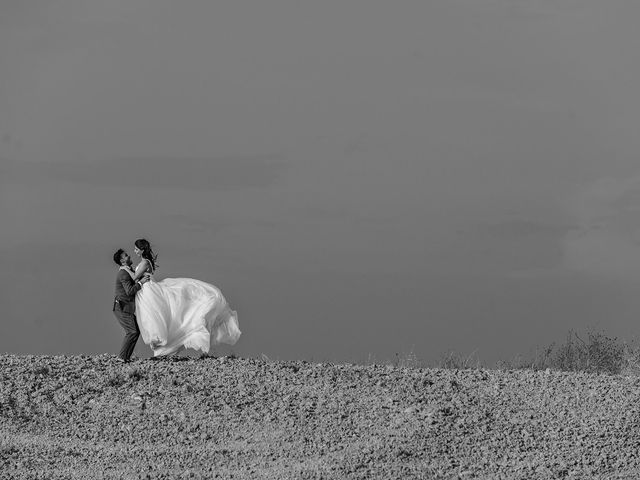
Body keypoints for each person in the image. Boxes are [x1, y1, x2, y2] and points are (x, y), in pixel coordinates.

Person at [121, 238, 241, 357]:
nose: (134, 251)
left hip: (149, 291)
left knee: (155, 317)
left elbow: (135, 278)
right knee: (155, 318)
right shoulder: (145, 262)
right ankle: (161, 350)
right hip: (146, 290)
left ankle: (160, 346)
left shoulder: (145, 262)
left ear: (142, 250)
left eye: (136, 249)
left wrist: (125, 268)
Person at [112, 249, 150, 363]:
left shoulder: (128, 271)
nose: (129, 256)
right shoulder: (123, 273)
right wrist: (141, 283)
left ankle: (125, 358)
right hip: (121, 308)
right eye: (126, 256)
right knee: (132, 331)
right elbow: (129, 291)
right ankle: (122, 357)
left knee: (135, 331)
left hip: (126, 307)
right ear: (122, 261)